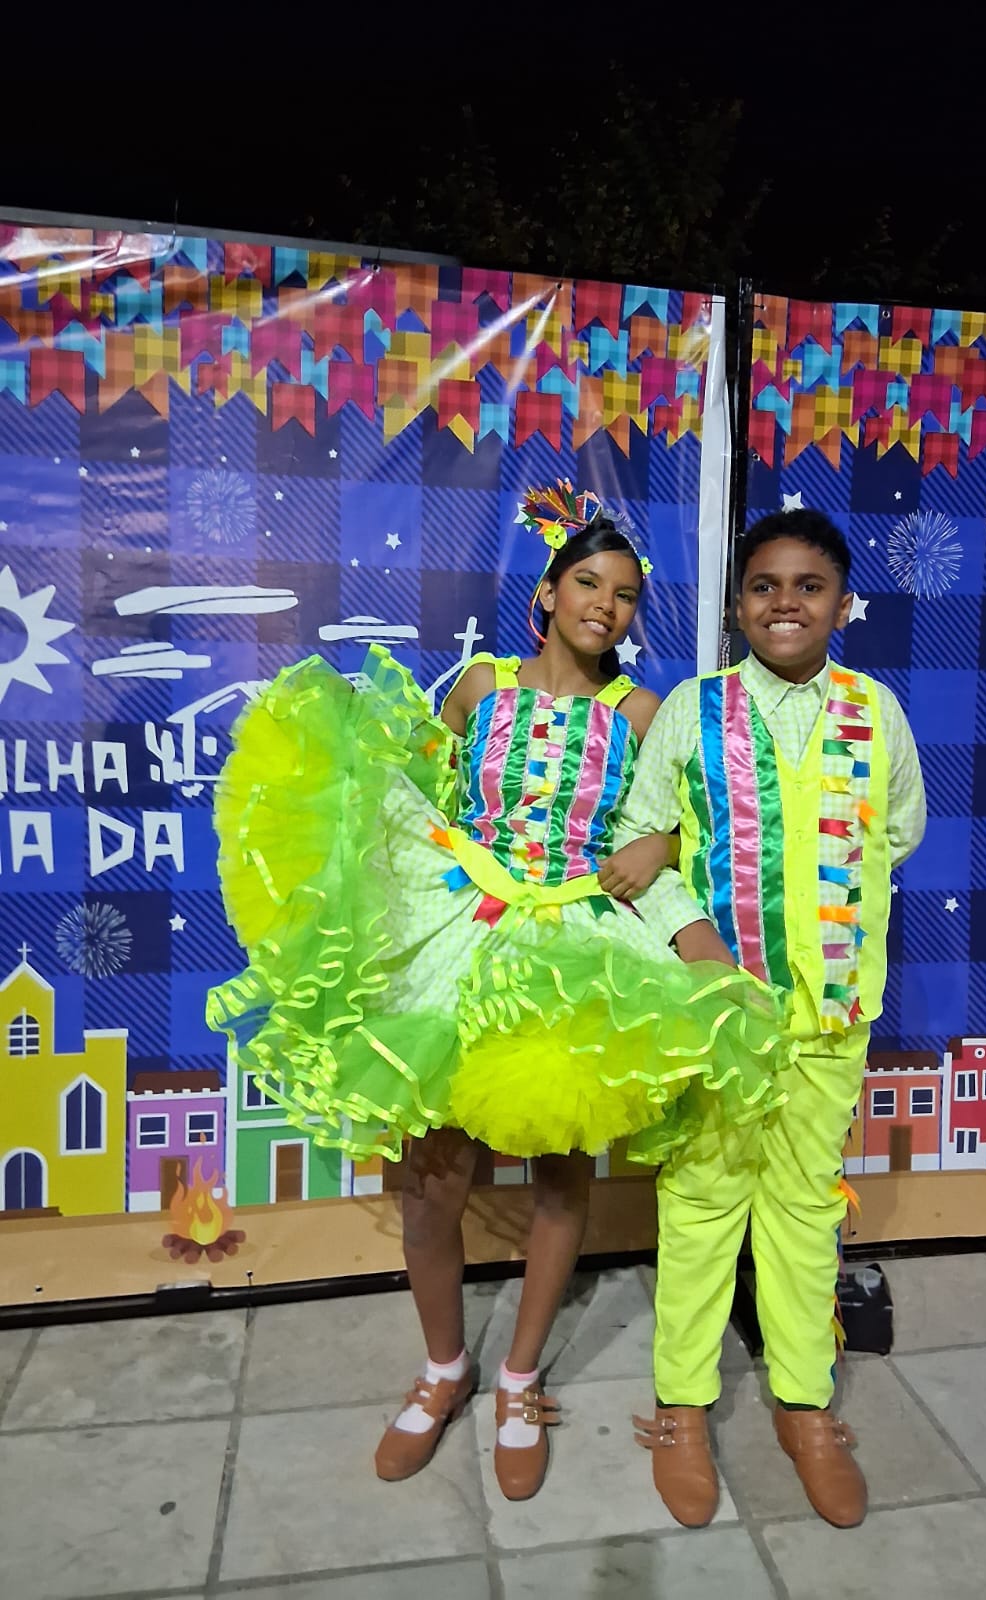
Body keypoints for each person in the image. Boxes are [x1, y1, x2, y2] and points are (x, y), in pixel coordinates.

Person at [207, 483, 791, 1502]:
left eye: (624, 594)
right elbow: (424, 790)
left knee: (562, 1170)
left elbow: (672, 831)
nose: (605, 606)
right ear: (549, 593)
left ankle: (519, 1377)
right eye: (588, 583)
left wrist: (662, 851)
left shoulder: (642, 711)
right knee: (431, 1183)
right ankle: (445, 1367)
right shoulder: (480, 685)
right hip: (458, 931)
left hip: (574, 944)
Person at [616, 506, 926, 1531]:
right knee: (701, 1203)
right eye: (764, 586)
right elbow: (641, 841)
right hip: (719, 1017)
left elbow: (899, 831)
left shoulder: (875, 711)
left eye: (808, 586)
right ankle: (681, 1406)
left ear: (842, 603)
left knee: (802, 1209)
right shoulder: (693, 710)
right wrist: (697, 936)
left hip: (831, 1016)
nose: (785, 602)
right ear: (738, 606)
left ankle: (804, 1402)